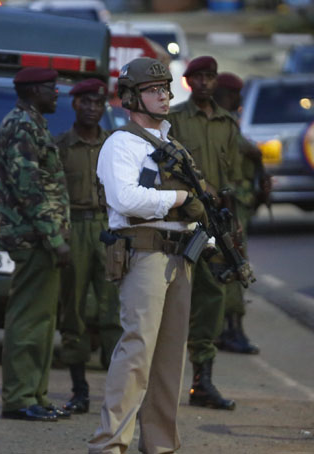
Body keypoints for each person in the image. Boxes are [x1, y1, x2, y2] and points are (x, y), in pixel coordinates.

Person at [88, 57, 205, 453]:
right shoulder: (120, 143)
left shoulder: (173, 145)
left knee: (170, 358)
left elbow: (193, 205)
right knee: (136, 351)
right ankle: (110, 444)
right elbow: (126, 198)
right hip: (144, 253)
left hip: (179, 255)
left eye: (166, 88)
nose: (164, 95)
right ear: (131, 98)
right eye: (154, 90)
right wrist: (180, 198)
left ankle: (158, 445)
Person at [0, 67, 72, 422]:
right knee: (28, 321)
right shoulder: (22, 125)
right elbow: (28, 189)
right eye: (50, 88)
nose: (57, 93)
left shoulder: (34, 122)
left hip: (40, 238)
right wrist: (55, 239)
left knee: (42, 321)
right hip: (33, 238)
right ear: (32, 91)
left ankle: (36, 395)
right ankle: (18, 398)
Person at [167, 56, 239, 410]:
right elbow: (165, 170)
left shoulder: (228, 123)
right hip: (181, 221)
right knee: (169, 300)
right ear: (189, 81)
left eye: (211, 77)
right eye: (200, 77)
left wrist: (234, 223)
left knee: (212, 300)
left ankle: (202, 380)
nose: (206, 82)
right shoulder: (176, 120)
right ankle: (156, 380)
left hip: (216, 225)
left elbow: (235, 178)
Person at [55, 78, 121, 415]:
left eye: (98, 103)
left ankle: (117, 393)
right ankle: (79, 389)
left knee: (114, 309)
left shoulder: (115, 145)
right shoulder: (61, 147)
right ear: (74, 104)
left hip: (109, 228)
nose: (93, 109)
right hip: (75, 227)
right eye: (86, 102)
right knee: (74, 310)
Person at [212, 72, 266, 355]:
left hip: (233, 203)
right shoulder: (225, 122)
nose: (239, 100)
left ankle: (225, 329)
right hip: (231, 206)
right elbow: (246, 152)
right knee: (235, 265)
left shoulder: (220, 121)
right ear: (227, 96)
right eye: (235, 94)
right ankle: (232, 329)